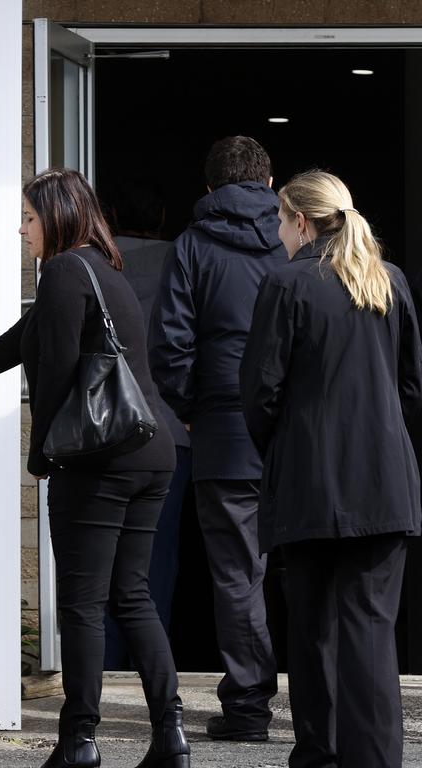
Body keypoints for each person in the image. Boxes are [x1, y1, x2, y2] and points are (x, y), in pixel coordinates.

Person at [0, 167, 189, 768]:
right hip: (151, 451)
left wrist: (42, 453)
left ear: (57, 217)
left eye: (27, 218)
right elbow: (16, 343)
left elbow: (60, 373)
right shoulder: (105, 269)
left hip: (101, 461)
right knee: (132, 595)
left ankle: (79, 742)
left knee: (82, 602)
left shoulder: (67, 270)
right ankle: (170, 736)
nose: (22, 230)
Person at [240, 170, 422, 768]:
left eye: (279, 221)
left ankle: (319, 755)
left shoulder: (288, 283)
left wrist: (287, 451)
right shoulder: (387, 280)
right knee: (371, 632)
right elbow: (410, 387)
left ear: (301, 220)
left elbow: (260, 393)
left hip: (310, 485)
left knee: (312, 626)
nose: (278, 233)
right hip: (384, 483)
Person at [148, 136, 284, 742]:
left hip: (225, 433)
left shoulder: (192, 247)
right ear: (269, 182)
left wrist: (194, 411)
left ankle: (249, 710)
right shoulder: (295, 241)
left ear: (208, 189)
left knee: (237, 575)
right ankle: (331, 703)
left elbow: (169, 346)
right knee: (312, 570)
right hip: (294, 436)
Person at [105, 179, 191, 669]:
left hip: (111, 429)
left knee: (104, 557)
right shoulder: (181, 259)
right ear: (162, 218)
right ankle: (153, 664)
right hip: (174, 431)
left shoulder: (102, 265)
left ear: (111, 213)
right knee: (158, 557)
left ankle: (107, 664)